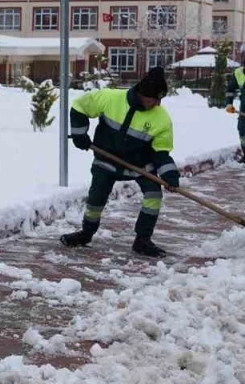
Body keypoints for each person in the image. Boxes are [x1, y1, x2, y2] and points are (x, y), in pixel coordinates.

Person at [60, 67, 180, 258]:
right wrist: (79, 134)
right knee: (96, 200)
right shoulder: (110, 98)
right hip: (106, 161)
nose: (158, 104)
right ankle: (86, 233)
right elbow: (79, 107)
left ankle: (142, 240)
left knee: (154, 196)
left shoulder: (162, 118)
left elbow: (162, 152)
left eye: (160, 99)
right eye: (155, 98)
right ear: (142, 93)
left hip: (141, 166)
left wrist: (170, 175)